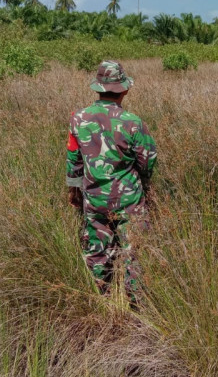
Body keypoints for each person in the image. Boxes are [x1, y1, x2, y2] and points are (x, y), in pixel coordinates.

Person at [66, 60, 157, 299]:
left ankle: (102, 298)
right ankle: (136, 303)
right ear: (124, 90)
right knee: (134, 252)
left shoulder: (78, 118)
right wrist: (143, 182)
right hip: (129, 200)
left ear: (98, 88)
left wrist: (74, 189)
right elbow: (147, 161)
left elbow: (74, 158)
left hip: (94, 198)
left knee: (97, 251)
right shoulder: (133, 122)